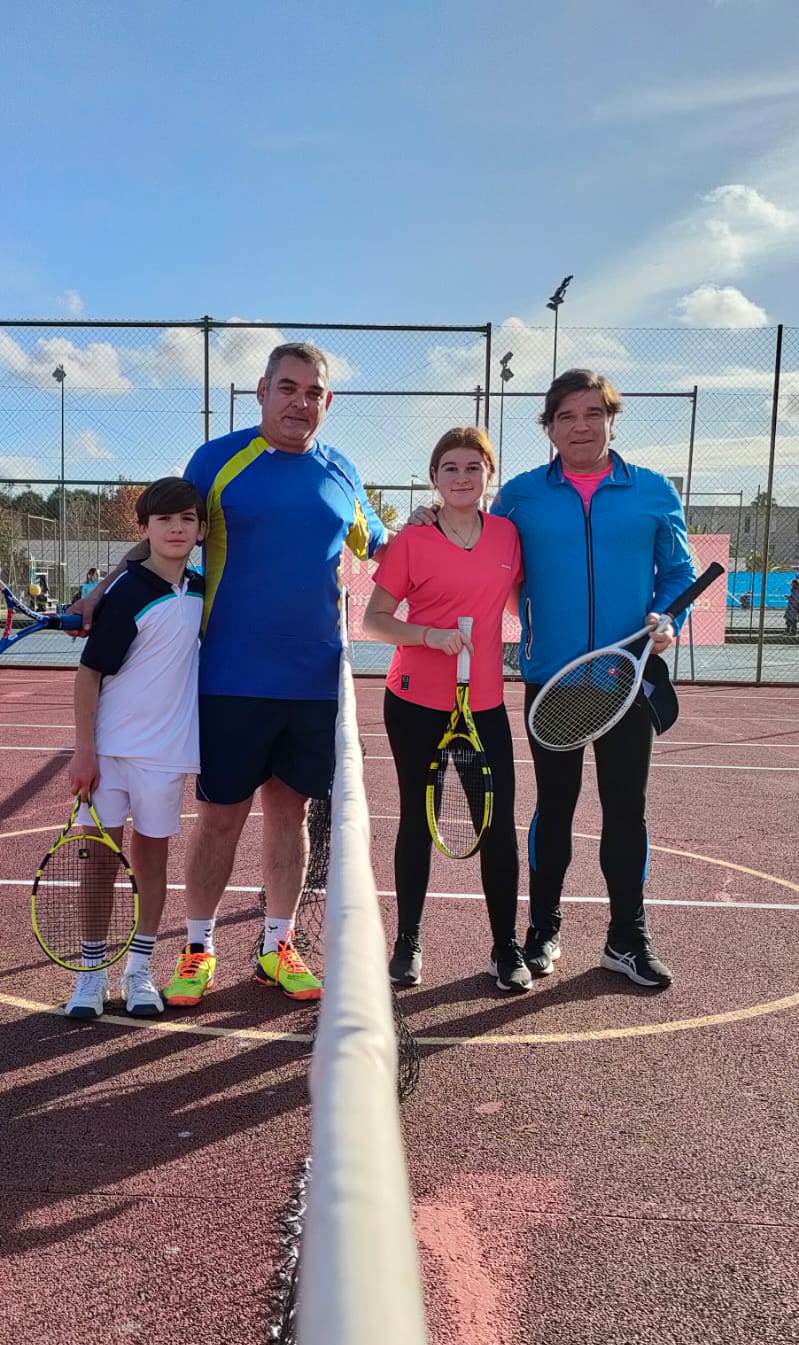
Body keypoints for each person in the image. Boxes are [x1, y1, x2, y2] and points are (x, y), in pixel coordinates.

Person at [76, 341, 385, 1008]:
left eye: (313, 392)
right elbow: (163, 534)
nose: (300, 402)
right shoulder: (217, 461)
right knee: (220, 817)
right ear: (262, 391)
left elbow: (380, 545)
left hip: (313, 681)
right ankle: (198, 947)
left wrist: (430, 527)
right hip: (229, 676)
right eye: (288, 388)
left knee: (291, 813)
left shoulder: (342, 472)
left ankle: (278, 945)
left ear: (328, 401)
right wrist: (103, 589)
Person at [493, 370, 694, 988]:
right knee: (554, 808)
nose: (580, 427)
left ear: (611, 420)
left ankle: (626, 938)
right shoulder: (520, 496)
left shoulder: (653, 490)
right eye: (566, 416)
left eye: (592, 414)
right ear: (549, 427)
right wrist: (430, 521)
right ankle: (542, 931)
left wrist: (668, 618)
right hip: (552, 679)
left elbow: (679, 575)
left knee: (625, 808)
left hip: (625, 681)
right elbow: (482, 556)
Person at [362, 426, 528, 992]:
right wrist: (428, 636)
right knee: (417, 818)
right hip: (414, 700)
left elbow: (526, 601)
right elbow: (374, 620)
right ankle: (408, 941)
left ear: (488, 476)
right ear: (434, 478)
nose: (462, 477)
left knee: (496, 824)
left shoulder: (508, 537)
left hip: (483, 704)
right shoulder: (413, 539)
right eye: (450, 468)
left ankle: (506, 947)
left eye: (473, 467)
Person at [64, 478, 206, 1021]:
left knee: (152, 862)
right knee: (99, 862)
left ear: (201, 530)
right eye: (164, 520)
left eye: (187, 519)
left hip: (166, 755)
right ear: (144, 529)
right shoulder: (126, 593)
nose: (176, 528)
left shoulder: (204, 591)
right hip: (108, 753)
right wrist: (85, 751)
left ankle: (139, 970)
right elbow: (88, 675)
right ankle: (91, 973)